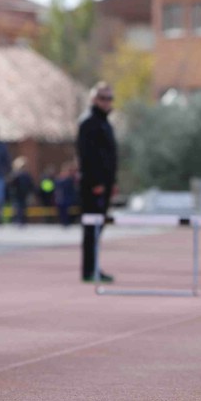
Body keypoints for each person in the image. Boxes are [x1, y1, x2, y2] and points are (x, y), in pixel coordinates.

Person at [76, 81, 118, 283]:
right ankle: (88, 270)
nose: (107, 102)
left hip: (105, 184)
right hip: (94, 186)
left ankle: (93, 267)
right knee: (91, 229)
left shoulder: (104, 122)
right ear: (93, 99)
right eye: (102, 98)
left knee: (98, 229)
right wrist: (96, 183)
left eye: (109, 98)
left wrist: (112, 181)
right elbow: (87, 157)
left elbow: (110, 156)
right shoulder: (89, 122)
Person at [7, 156, 35, 226]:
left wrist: (31, 194)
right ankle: (16, 221)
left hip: (24, 195)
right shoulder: (15, 175)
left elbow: (31, 185)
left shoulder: (27, 175)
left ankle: (22, 222)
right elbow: (10, 184)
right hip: (16, 195)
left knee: (23, 209)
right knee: (17, 209)